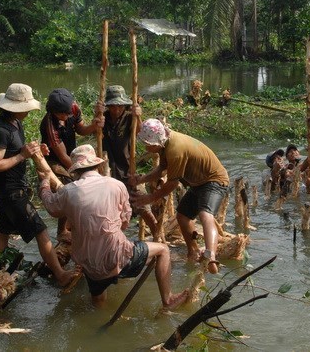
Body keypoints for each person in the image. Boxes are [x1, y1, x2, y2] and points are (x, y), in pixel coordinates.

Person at [38, 144, 188, 308]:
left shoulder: (67, 191)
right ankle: (168, 299)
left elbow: (51, 207)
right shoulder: (116, 185)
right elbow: (124, 222)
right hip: (118, 256)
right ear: (98, 165)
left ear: (76, 171)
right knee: (163, 250)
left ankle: (98, 314)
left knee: (98, 301)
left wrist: (45, 183)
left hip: (89, 263)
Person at [0, 83, 72, 287]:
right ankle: (60, 274)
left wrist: (37, 151)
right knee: (41, 230)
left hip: (12, 189)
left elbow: (16, 153)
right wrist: (22, 155)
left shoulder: (16, 123)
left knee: (3, 231)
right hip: (10, 191)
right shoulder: (1, 130)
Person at [130, 119, 229, 275]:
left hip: (214, 180)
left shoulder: (175, 150)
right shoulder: (165, 145)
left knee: (205, 214)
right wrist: (141, 179)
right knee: (183, 216)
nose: (145, 147)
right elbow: (162, 169)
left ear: (156, 143)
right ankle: (193, 251)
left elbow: (172, 184)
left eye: (147, 143)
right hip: (197, 183)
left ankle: (211, 255)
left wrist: (150, 198)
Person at [40, 88, 104, 235]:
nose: (67, 116)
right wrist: (80, 173)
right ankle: (62, 230)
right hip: (54, 160)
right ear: (53, 112)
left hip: (72, 155)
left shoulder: (73, 108)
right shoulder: (49, 125)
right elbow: (62, 157)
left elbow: (81, 130)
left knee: (80, 188)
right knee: (66, 190)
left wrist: (94, 126)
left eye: (69, 113)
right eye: (63, 114)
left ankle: (76, 223)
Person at [101, 85, 158, 238]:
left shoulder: (129, 118)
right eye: (112, 106)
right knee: (112, 212)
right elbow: (94, 131)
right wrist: (96, 119)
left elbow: (141, 134)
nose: (116, 110)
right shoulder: (103, 118)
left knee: (144, 208)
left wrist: (138, 116)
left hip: (128, 170)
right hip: (109, 173)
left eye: (119, 106)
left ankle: (159, 239)